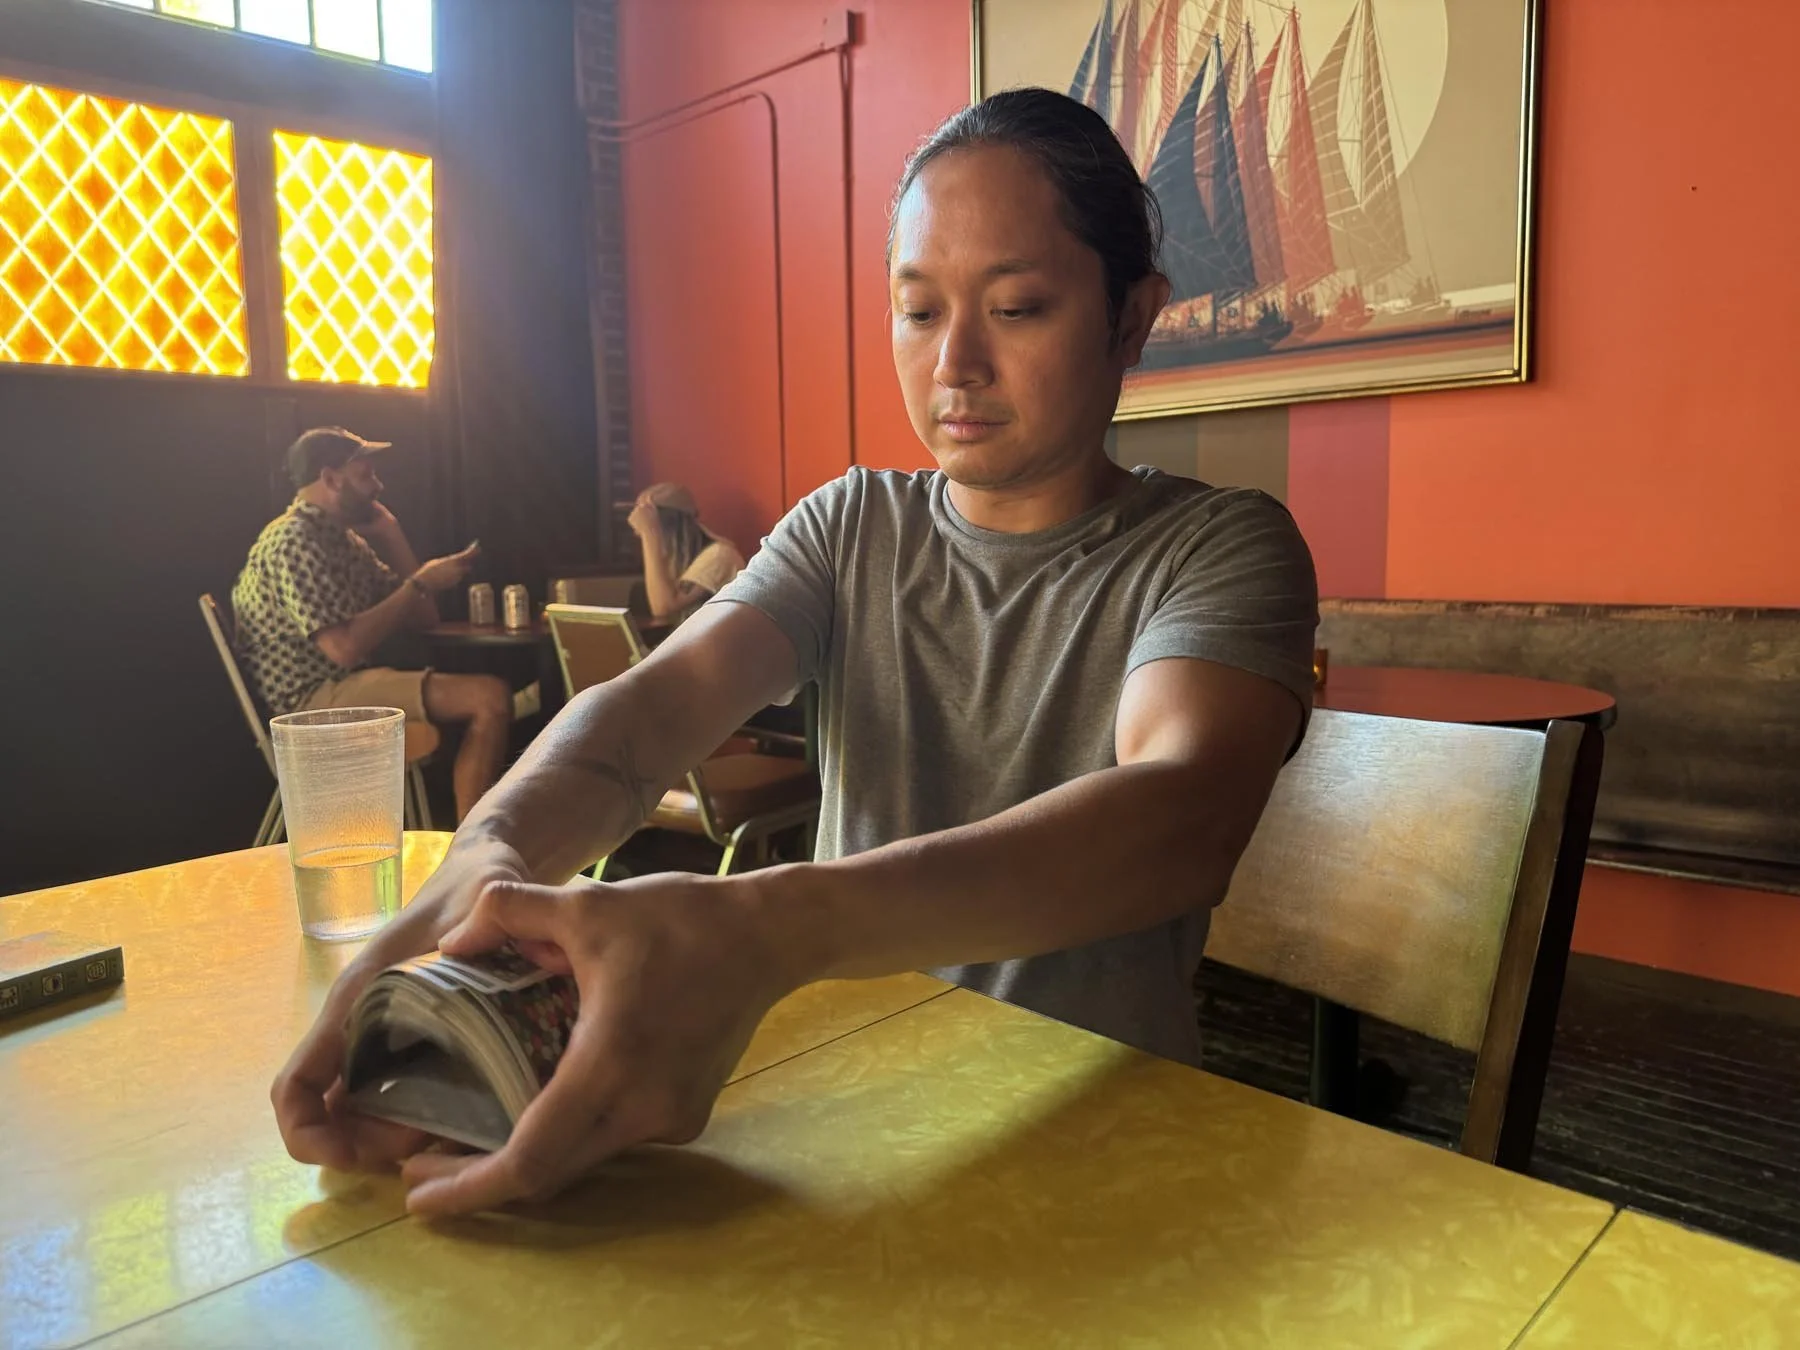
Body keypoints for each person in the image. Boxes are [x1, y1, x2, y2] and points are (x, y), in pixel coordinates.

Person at [272, 89, 1318, 1215]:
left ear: (1131, 316)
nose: (956, 362)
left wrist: (759, 926)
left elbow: (1180, 818)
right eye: (919, 312)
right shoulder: (852, 527)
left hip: (1107, 1143)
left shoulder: (1218, 546)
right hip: (855, 1117)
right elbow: (636, 725)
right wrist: (493, 848)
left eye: (1016, 308)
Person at [232, 427, 514, 821]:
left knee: (490, 697)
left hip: (340, 689)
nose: (378, 486)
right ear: (331, 479)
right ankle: (470, 855)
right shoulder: (293, 540)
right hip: (311, 706)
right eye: (366, 476)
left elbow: (423, 615)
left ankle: (466, 847)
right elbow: (344, 650)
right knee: (490, 699)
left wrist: (392, 534)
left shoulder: (343, 541)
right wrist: (420, 582)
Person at [626, 482, 746, 619]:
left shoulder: (719, 555)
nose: (637, 535)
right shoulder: (678, 560)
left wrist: (650, 535)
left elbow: (663, 608)